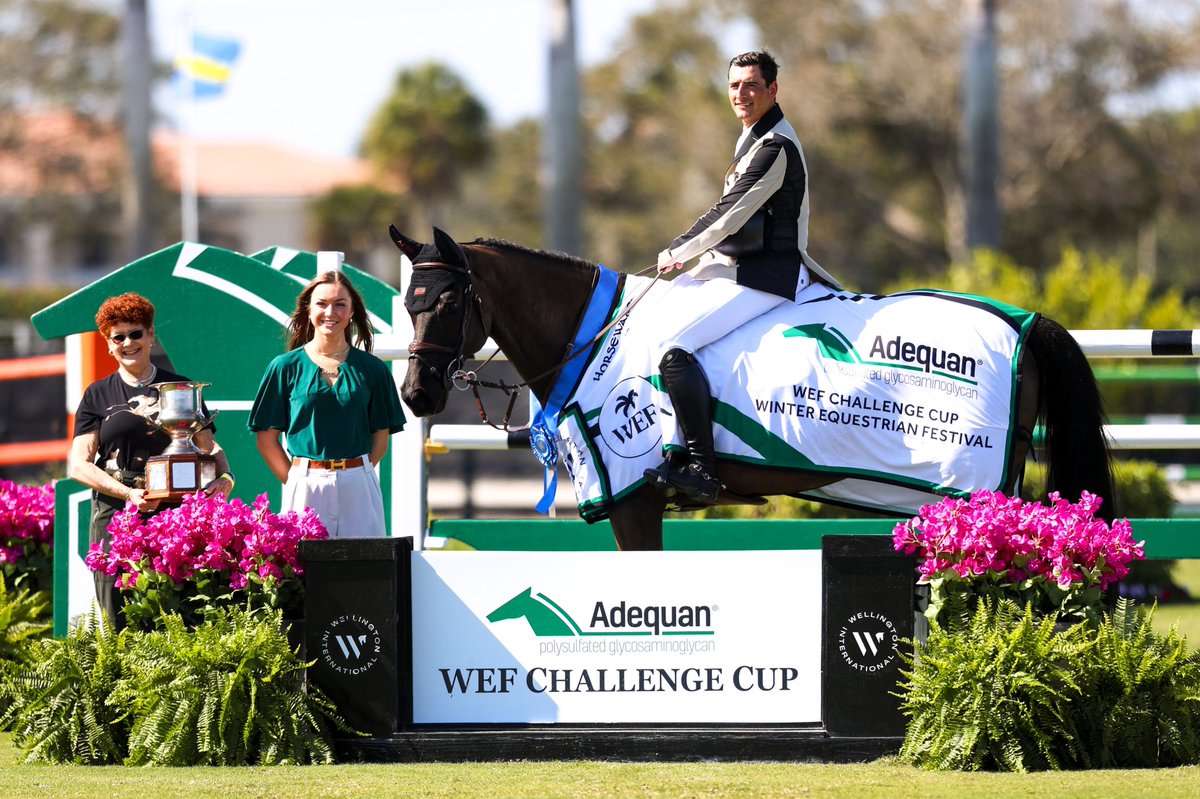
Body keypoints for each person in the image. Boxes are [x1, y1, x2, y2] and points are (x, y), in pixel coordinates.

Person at [643, 50, 842, 506]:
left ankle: (702, 467)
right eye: (734, 85)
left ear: (773, 90)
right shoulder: (753, 138)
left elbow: (728, 215)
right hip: (739, 270)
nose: (741, 94)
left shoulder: (775, 147)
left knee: (674, 346)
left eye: (751, 85)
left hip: (767, 279)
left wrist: (677, 251)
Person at [68, 292, 233, 626]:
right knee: (116, 611)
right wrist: (128, 494)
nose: (128, 342)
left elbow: (210, 449)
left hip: (174, 510)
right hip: (116, 510)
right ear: (108, 344)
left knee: (178, 610)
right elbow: (78, 464)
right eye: (119, 337)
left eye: (136, 333)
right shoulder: (97, 394)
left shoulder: (182, 388)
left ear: (151, 335)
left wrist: (225, 479)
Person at [248, 262, 406, 538]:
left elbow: (380, 439)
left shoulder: (374, 369)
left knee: (365, 570)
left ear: (352, 311)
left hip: (359, 483)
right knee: (304, 575)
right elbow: (266, 440)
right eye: (322, 304)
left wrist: (355, 474)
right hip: (305, 483)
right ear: (309, 309)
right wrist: (298, 481)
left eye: (340, 304)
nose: (330, 312)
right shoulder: (284, 367)